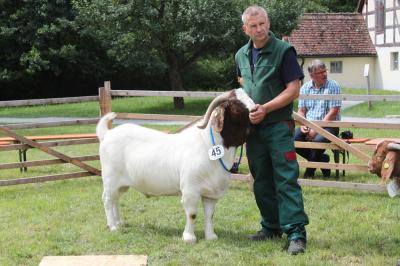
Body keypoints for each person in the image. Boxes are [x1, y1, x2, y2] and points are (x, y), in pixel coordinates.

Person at [235, 5, 309, 255]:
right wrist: (246, 108)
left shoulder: (283, 51)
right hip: (253, 130)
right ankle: (271, 226)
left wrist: (265, 108)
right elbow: (243, 83)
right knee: (261, 179)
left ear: (268, 22)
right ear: (245, 29)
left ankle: (296, 232)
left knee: (285, 178)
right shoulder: (240, 55)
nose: (260, 29)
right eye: (253, 26)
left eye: (263, 23)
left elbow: (293, 89)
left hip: (278, 126)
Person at [295, 60, 342, 178]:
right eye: (320, 72)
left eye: (325, 71)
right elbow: (301, 111)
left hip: (329, 125)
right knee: (293, 140)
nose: (324, 74)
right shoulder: (305, 88)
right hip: (309, 125)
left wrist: (316, 129)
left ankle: (309, 172)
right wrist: (303, 124)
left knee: (317, 142)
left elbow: (333, 112)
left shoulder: (333, 85)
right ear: (311, 75)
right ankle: (322, 159)